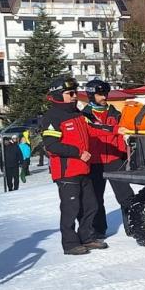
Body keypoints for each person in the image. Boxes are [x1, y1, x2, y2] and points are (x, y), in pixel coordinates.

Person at [41, 75, 107, 255]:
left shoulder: (78, 114)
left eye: (75, 92)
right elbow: (51, 145)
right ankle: (70, 243)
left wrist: (118, 130)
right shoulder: (52, 117)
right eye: (70, 93)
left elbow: (94, 129)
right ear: (58, 95)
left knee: (91, 205)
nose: (74, 96)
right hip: (66, 171)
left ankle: (87, 237)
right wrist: (78, 153)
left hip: (83, 169)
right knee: (71, 209)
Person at [82, 79, 134, 240]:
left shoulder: (115, 114)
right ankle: (98, 229)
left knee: (125, 195)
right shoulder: (84, 116)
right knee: (95, 197)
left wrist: (125, 154)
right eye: (100, 94)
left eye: (105, 93)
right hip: (95, 161)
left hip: (114, 159)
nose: (104, 96)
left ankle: (133, 224)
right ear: (91, 95)